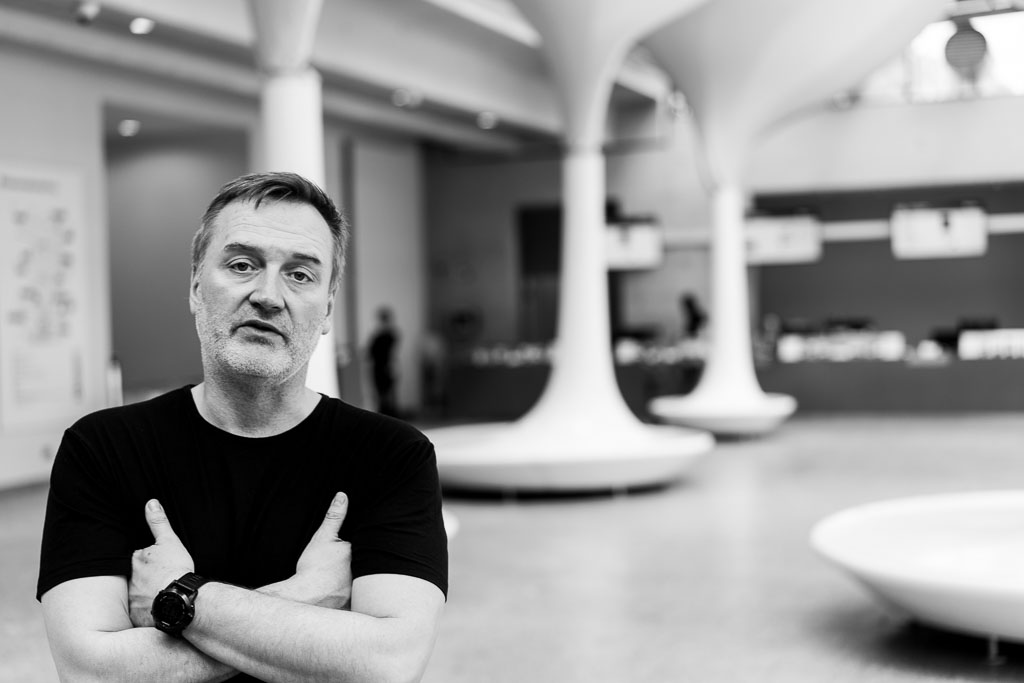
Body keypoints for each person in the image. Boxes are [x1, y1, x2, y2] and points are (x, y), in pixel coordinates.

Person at [36, 172, 448, 683]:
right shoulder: (102, 448)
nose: (268, 296)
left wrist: (181, 598)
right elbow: (88, 671)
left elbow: (387, 665)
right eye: (242, 265)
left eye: (301, 274)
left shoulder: (392, 455)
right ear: (195, 287)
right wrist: (304, 599)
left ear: (326, 309)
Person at [368, 306, 400, 417]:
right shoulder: (385, 335)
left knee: (386, 395)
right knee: (383, 395)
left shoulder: (386, 335)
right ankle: (386, 415)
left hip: (384, 368)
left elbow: (373, 352)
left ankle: (388, 415)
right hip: (382, 368)